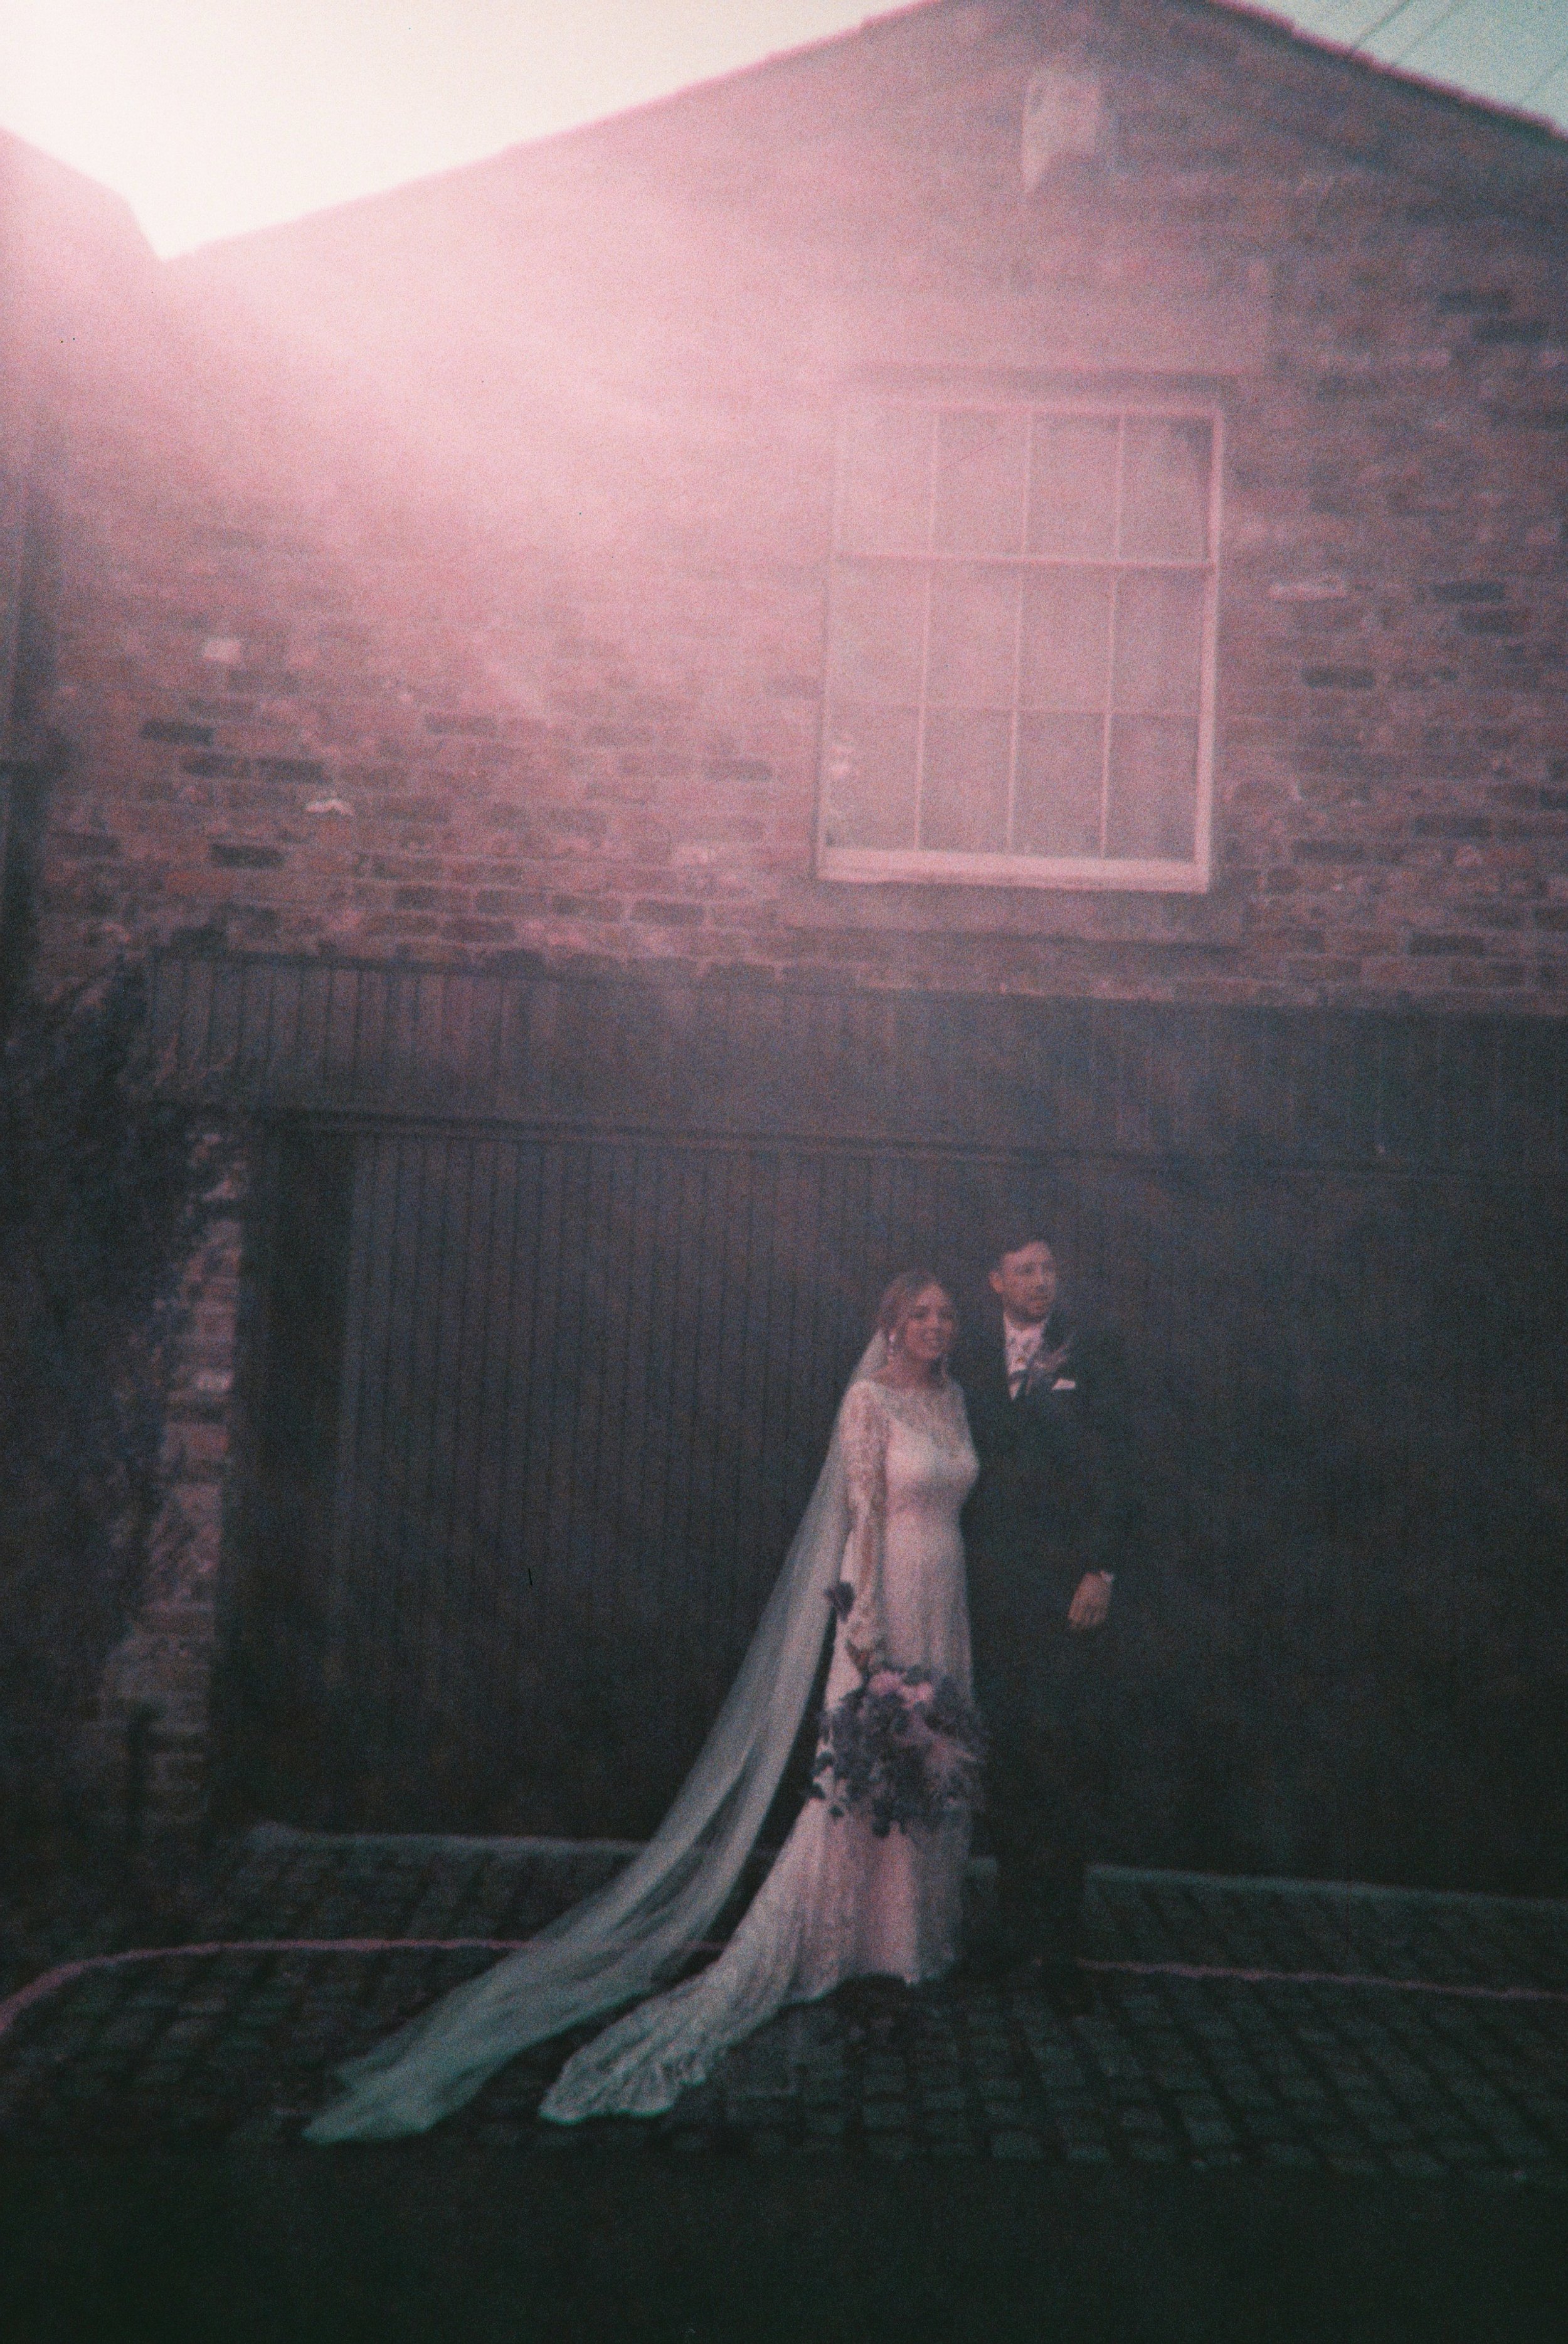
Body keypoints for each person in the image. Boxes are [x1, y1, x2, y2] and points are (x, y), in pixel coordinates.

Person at [305, 1271, 979, 2138]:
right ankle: (838, 1940)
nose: (935, 1325)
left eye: (945, 1314)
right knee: (860, 1772)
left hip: (948, 1598)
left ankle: (908, 1939)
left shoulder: (958, 1400)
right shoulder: (868, 1400)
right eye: (918, 1313)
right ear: (891, 1325)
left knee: (927, 1759)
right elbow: (863, 1515)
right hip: (886, 1600)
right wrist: (866, 1629)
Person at [954, 1231, 1135, 2013]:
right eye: (1024, 1269)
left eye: (1049, 1268)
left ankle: (1062, 1943)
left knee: (1062, 1759)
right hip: (988, 1591)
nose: (1039, 1281)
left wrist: (1100, 1568)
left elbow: (1121, 1464)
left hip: (1066, 1592)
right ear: (994, 1280)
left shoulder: (1089, 1352)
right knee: (1006, 1761)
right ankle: (1012, 1926)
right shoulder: (962, 1357)